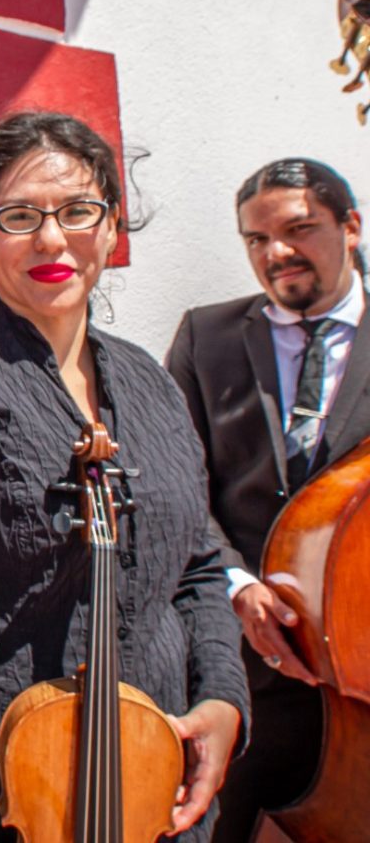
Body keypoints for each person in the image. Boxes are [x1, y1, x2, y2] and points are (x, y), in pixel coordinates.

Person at [0, 111, 249, 843]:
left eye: (76, 211)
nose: (50, 238)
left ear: (109, 229)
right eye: (18, 216)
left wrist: (225, 699)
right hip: (8, 799)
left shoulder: (151, 383)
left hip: (157, 791)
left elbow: (198, 569)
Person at [166, 157, 369, 841]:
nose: (276, 252)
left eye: (299, 229)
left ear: (350, 227)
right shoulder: (206, 336)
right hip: (246, 662)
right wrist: (236, 584)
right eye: (255, 239)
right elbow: (179, 484)